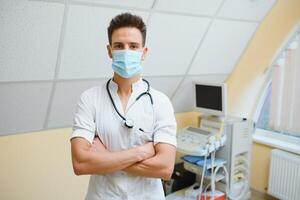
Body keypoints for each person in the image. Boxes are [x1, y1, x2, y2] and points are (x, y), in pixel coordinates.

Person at [70, 12, 177, 200]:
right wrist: (141, 152)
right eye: (119, 46)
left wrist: (105, 158)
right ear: (109, 51)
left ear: (144, 52)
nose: (126, 52)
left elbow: (165, 167)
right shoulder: (89, 99)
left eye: (133, 46)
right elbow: (80, 164)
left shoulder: (160, 102)